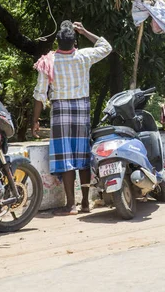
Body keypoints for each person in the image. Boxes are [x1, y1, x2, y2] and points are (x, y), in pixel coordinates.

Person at [32, 21, 112, 215]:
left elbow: (40, 94)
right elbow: (106, 47)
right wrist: (85, 30)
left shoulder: (48, 61)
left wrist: (34, 120)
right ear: (75, 42)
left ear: (57, 42)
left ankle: (71, 205)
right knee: (83, 157)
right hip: (81, 108)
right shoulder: (84, 56)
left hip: (61, 110)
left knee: (65, 157)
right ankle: (85, 203)